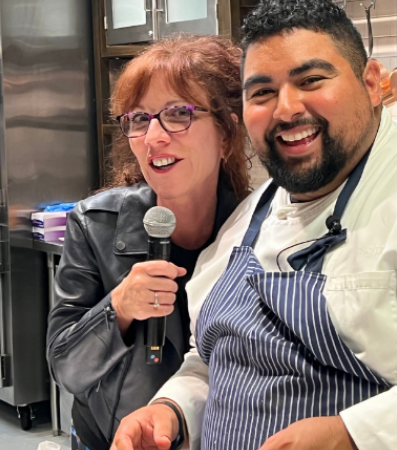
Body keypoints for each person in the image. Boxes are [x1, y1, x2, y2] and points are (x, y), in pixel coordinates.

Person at [112, 1, 397, 449]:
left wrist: (353, 435)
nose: (286, 109)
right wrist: (171, 409)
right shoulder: (252, 214)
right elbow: (214, 362)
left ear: (371, 83)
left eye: (311, 80)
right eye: (262, 93)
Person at [46, 34, 249, 450]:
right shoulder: (95, 224)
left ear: (227, 134)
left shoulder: (260, 230)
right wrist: (118, 308)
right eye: (139, 119)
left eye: (178, 114)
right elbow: (66, 367)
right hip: (112, 439)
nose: (154, 136)